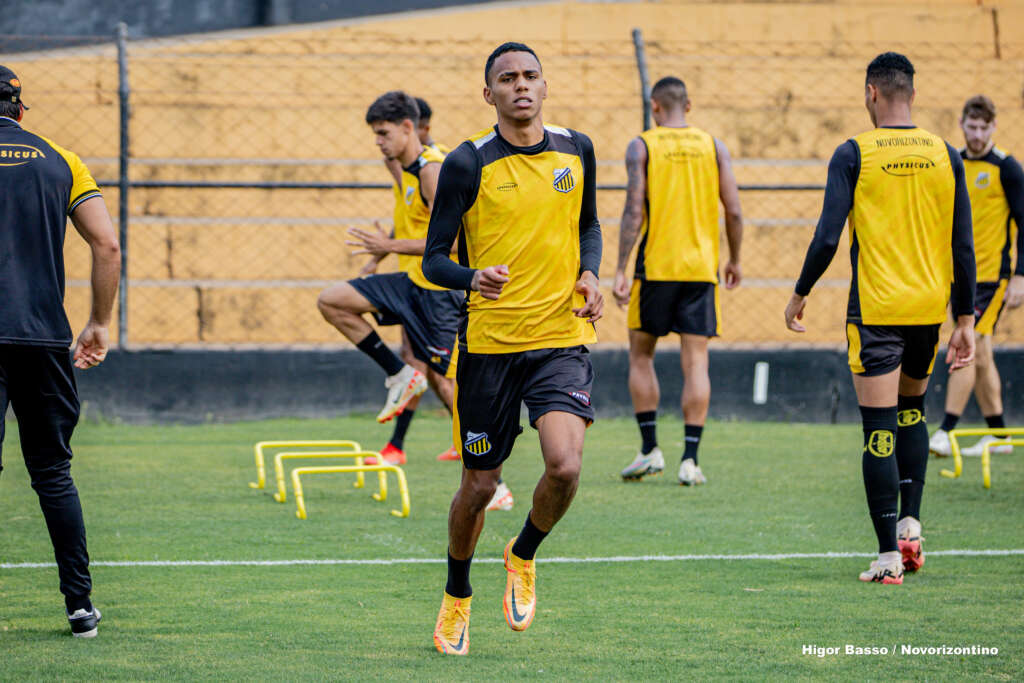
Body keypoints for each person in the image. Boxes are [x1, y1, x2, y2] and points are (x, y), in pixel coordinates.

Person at [422, 42, 603, 654]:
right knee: (478, 485)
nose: (521, 86)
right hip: (490, 347)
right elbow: (433, 259)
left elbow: (589, 225)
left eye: (530, 76)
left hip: (560, 337)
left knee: (565, 465)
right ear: (489, 93)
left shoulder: (577, 149)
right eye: (507, 78)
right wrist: (473, 277)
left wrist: (592, 274)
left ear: (545, 86)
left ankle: (523, 552)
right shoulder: (468, 163)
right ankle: (456, 596)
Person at [785, 53, 975, 585]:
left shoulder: (854, 152)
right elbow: (962, 243)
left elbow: (827, 235)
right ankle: (911, 526)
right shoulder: (944, 153)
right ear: (910, 93)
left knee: (878, 431)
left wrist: (799, 292)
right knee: (913, 413)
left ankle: (888, 555)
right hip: (928, 310)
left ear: (872, 93)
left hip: (875, 312)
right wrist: (966, 318)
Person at [343, 92, 515, 509]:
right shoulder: (404, 168)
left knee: (447, 382)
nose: (378, 144)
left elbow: (451, 243)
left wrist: (390, 242)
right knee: (336, 301)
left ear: (409, 128)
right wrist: (385, 251)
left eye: (383, 134)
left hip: (439, 295)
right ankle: (400, 393)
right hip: (411, 284)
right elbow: (413, 224)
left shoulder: (432, 172)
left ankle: (497, 482)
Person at [0, 66, 121, 636]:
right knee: (51, 472)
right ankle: (79, 605)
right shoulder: (61, 158)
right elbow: (107, 243)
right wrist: (98, 322)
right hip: (44, 337)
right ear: (21, 111)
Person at [612, 76, 743, 486]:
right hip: (700, 270)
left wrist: (619, 268)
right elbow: (735, 211)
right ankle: (691, 460)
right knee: (696, 362)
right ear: (688, 106)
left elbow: (634, 211)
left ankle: (650, 450)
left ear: (654, 107)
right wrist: (735, 259)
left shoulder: (643, 145)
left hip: (655, 268)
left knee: (641, 356)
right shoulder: (713, 145)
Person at [929, 95, 1023, 458]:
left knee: (971, 346)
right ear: (961, 124)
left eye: (985, 128)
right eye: (973, 126)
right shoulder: (951, 163)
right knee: (982, 354)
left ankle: (944, 430)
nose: (979, 134)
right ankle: (999, 436)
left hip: (992, 279)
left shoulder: (1007, 168)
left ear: (994, 127)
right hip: (957, 278)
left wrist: (1021, 276)